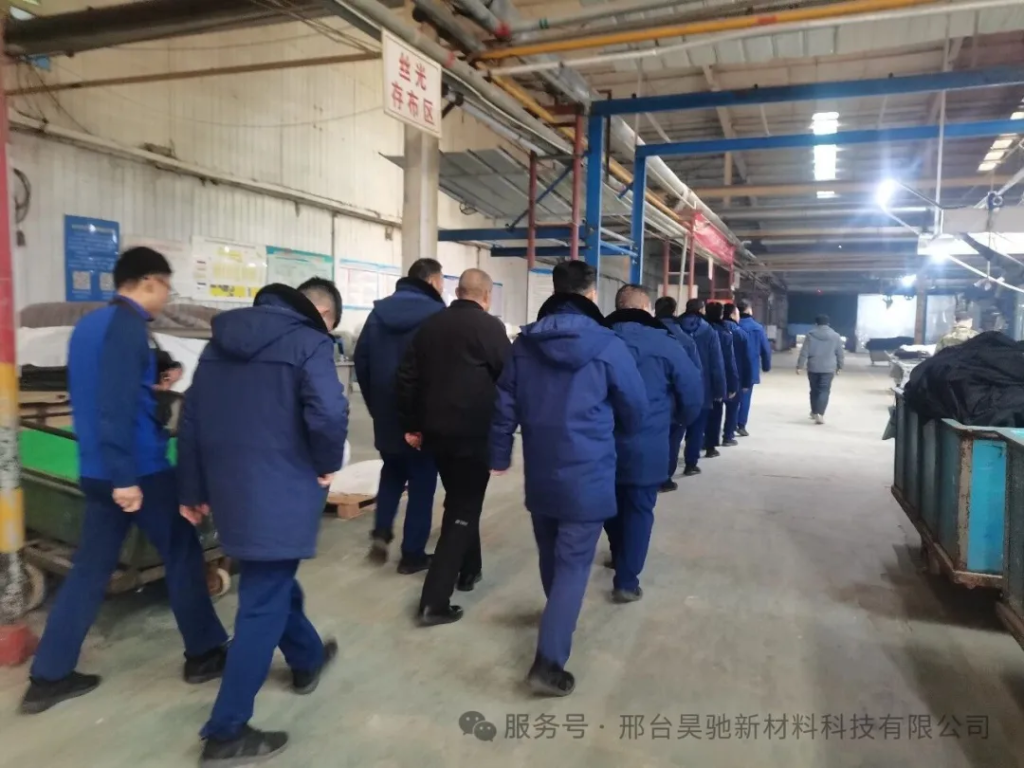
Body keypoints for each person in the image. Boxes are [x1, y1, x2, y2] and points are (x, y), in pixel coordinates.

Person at [20, 248, 229, 716]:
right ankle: (204, 653)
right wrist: (125, 478)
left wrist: (153, 384)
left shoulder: (89, 327)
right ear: (149, 282)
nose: (167, 297)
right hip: (137, 471)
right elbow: (114, 407)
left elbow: (104, 394)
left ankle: (49, 675)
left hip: (96, 468)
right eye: (166, 287)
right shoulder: (127, 327)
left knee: (91, 569)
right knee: (182, 551)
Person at [178, 277, 349, 765]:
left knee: (270, 580)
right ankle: (226, 730)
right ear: (322, 315)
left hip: (231, 492)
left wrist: (192, 488)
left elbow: (191, 418)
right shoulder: (310, 342)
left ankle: (307, 658)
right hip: (283, 491)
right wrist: (326, 463)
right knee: (261, 605)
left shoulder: (217, 344)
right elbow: (329, 412)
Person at [491, 261, 646, 696]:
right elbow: (635, 407)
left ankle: (555, 618)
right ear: (591, 294)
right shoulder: (608, 345)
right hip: (589, 471)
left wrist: (499, 455)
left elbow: (503, 406)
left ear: (555, 291)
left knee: (551, 552)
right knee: (574, 563)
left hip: (542, 470)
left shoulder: (525, 344)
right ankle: (549, 661)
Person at [395, 269, 511, 626]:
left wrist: (412, 425)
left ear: (458, 292)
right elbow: (509, 377)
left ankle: (470, 570)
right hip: (473, 435)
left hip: (436, 434)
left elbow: (407, 378)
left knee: (462, 500)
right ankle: (434, 601)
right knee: (462, 510)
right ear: (487, 296)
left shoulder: (430, 326)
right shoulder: (490, 328)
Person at [604, 285, 702, 602]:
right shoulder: (666, 344)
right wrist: (677, 422)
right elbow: (692, 392)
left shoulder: (597, 340)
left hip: (598, 443)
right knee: (639, 508)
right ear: (646, 308)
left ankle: (618, 552)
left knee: (609, 503)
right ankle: (626, 580)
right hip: (647, 442)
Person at [353, 258, 446, 573]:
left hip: (386, 413)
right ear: (432, 281)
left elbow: (361, 361)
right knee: (422, 480)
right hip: (421, 417)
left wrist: (376, 405)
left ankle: (382, 530)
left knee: (392, 470)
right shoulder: (437, 316)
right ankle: (412, 554)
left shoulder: (377, 315)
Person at [653, 296, 702, 492]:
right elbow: (693, 376)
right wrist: (690, 407)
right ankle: (665, 478)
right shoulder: (685, 340)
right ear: (674, 311)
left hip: (648, 399)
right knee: (672, 440)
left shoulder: (643, 335)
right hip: (674, 401)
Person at [677, 298, 726, 477]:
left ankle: (667, 469)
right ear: (702, 310)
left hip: (678, 385)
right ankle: (691, 464)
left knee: (676, 429)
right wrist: (719, 389)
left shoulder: (675, 328)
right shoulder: (709, 331)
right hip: (703, 386)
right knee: (697, 428)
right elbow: (716, 363)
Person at [703, 303, 739, 459]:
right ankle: (710, 446)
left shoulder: (699, 331)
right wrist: (733, 385)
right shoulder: (724, 333)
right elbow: (730, 362)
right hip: (718, 377)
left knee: (700, 413)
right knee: (715, 413)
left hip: (700, 378)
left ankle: (698, 441)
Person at [796, 314, 844, 425]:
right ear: (828, 323)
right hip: (828, 368)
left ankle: (814, 412)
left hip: (813, 367)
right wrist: (840, 366)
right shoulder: (835, 336)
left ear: (816, 323)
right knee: (824, 390)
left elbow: (804, 351)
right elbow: (840, 353)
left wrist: (800, 366)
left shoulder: (810, 335)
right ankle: (820, 414)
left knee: (814, 390)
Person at [736, 298, 772, 437]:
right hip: (750, 368)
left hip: (731, 366)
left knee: (730, 398)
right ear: (749, 310)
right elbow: (765, 349)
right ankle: (741, 425)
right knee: (745, 398)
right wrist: (766, 366)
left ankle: (729, 425)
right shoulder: (757, 328)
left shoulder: (732, 326)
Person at [722, 303, 753, 446]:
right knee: (732, 408)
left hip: (717, 376)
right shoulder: (740, 333)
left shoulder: (714, 330)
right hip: (736, 376)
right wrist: (747, 381)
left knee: (714, 409)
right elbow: (747, 360)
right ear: (732, 315)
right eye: (737, 314)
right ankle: (728, 436)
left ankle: (708, 440)